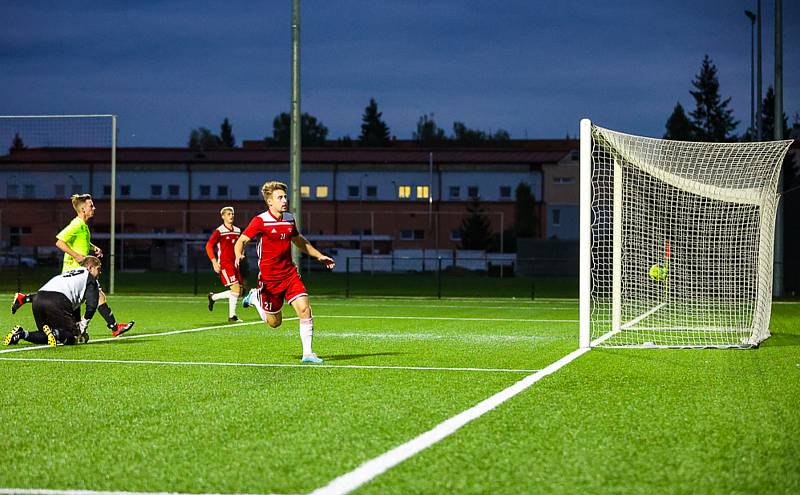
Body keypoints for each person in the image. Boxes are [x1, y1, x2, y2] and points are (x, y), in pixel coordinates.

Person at [235, 181, 335, 364]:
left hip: (289, 274)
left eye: (285, 197)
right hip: (269, 280)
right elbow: (241, 240)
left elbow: (298, 240)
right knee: (275, 323)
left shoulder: (289, 218)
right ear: (269, 202)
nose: (284, 200)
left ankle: (308, 354)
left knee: (305, 309)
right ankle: (256, 297)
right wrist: (238, 254)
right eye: (279, 197)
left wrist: (319, 256)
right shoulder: (260, 220)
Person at [11, 193, 134, 337]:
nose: (94, 208)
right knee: (97, 295)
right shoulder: (76, 224)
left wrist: (94, 248)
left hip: (80, 270)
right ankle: (114, 328)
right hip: (75, 270)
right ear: (83, 210)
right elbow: (59, 241)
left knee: (75, 305)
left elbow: (82, 242)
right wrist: (77, 256)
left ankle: (26, 300)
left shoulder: (83, 226)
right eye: (91, 206)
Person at [4, 256, 105, 347]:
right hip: (57, 300)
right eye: (98, 269)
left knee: (47, 336)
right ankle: (55, 332)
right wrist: (82, 326)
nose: (100, 272)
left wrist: (76, 324)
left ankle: (21, 334)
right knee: (72, 337)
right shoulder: (90, 278)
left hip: (39, 298)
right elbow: (92, 305)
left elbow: (73, 304)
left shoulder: (71, 273)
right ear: (90, 267)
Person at [206, 206, 243, 322]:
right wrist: (214, 262)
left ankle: (213, 297)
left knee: (239, 291)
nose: (231, 216)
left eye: (232, 214)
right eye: (228, 214)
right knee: (236, 289)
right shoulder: (219, 231)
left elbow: (240, 245)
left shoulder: (237, 230)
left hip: (235, 264)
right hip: (225, 264)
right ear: (223, 216)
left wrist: (241, 254)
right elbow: (208, 246)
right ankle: (232, 316)